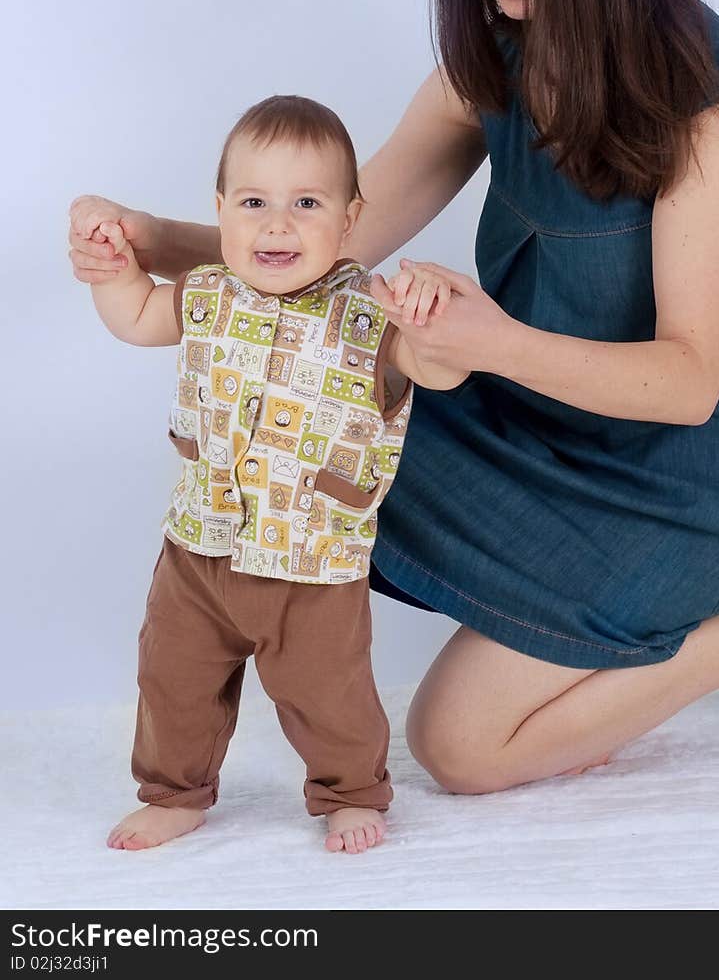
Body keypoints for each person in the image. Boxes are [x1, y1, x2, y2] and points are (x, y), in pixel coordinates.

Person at [70, 0, 719, 802]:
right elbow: (330, 245)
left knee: (461, 746)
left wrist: (487, 340)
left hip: (691, 484)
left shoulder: (705, 102)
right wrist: (159, 237)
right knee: (293, 416)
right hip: (530, 430)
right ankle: (199, 732)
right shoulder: (491, 52)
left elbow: (687, 381)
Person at [73, 94, 465, 854]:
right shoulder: (207, 291)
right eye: (254, 201)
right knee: (173, 679)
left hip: (314, 558)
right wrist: (110, 270)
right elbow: (135, 318)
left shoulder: (370, 317)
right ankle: (176, 791)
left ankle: (350, 791)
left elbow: (442, 372)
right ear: (220, 210)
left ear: (350, 219)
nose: (276, 224)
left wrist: (430, 316)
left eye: (306, 203)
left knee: (329, 692)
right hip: (200, 544)